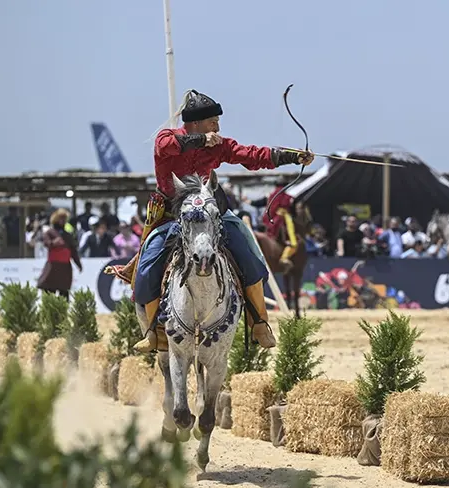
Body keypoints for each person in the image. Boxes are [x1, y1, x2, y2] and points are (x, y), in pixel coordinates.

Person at [106, 89, 313, 352]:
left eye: (217, 122)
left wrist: (292, 156)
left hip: (210, 213)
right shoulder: (168, 138)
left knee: (249, 254)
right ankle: (153, 332)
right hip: (170, 215)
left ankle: (259, 322)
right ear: (196, 123)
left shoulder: (219, 144)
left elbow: (251, 155)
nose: (218, 126)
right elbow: (165, 147)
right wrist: (201, 141)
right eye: (213, 121)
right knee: (147, 266)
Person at [251, 181, 298, 272]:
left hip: (272, 219)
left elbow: (264, 206)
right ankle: (284, 257)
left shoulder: (270, 196)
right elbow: (293, 211)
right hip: (284, 219)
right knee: (294, 243)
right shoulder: (289, 198)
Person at [37, 209, 82, 300]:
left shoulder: (68, 235)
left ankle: (63, 312)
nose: (62, 221)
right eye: (60, 218)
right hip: (53, 266)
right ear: (55, 219)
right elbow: (46, 243)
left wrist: (78, 264)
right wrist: (54, 243)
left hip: (65, 268)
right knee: (49, 291)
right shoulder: (49, 232)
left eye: (64, 219)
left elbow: (73, 251)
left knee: (64, 292)